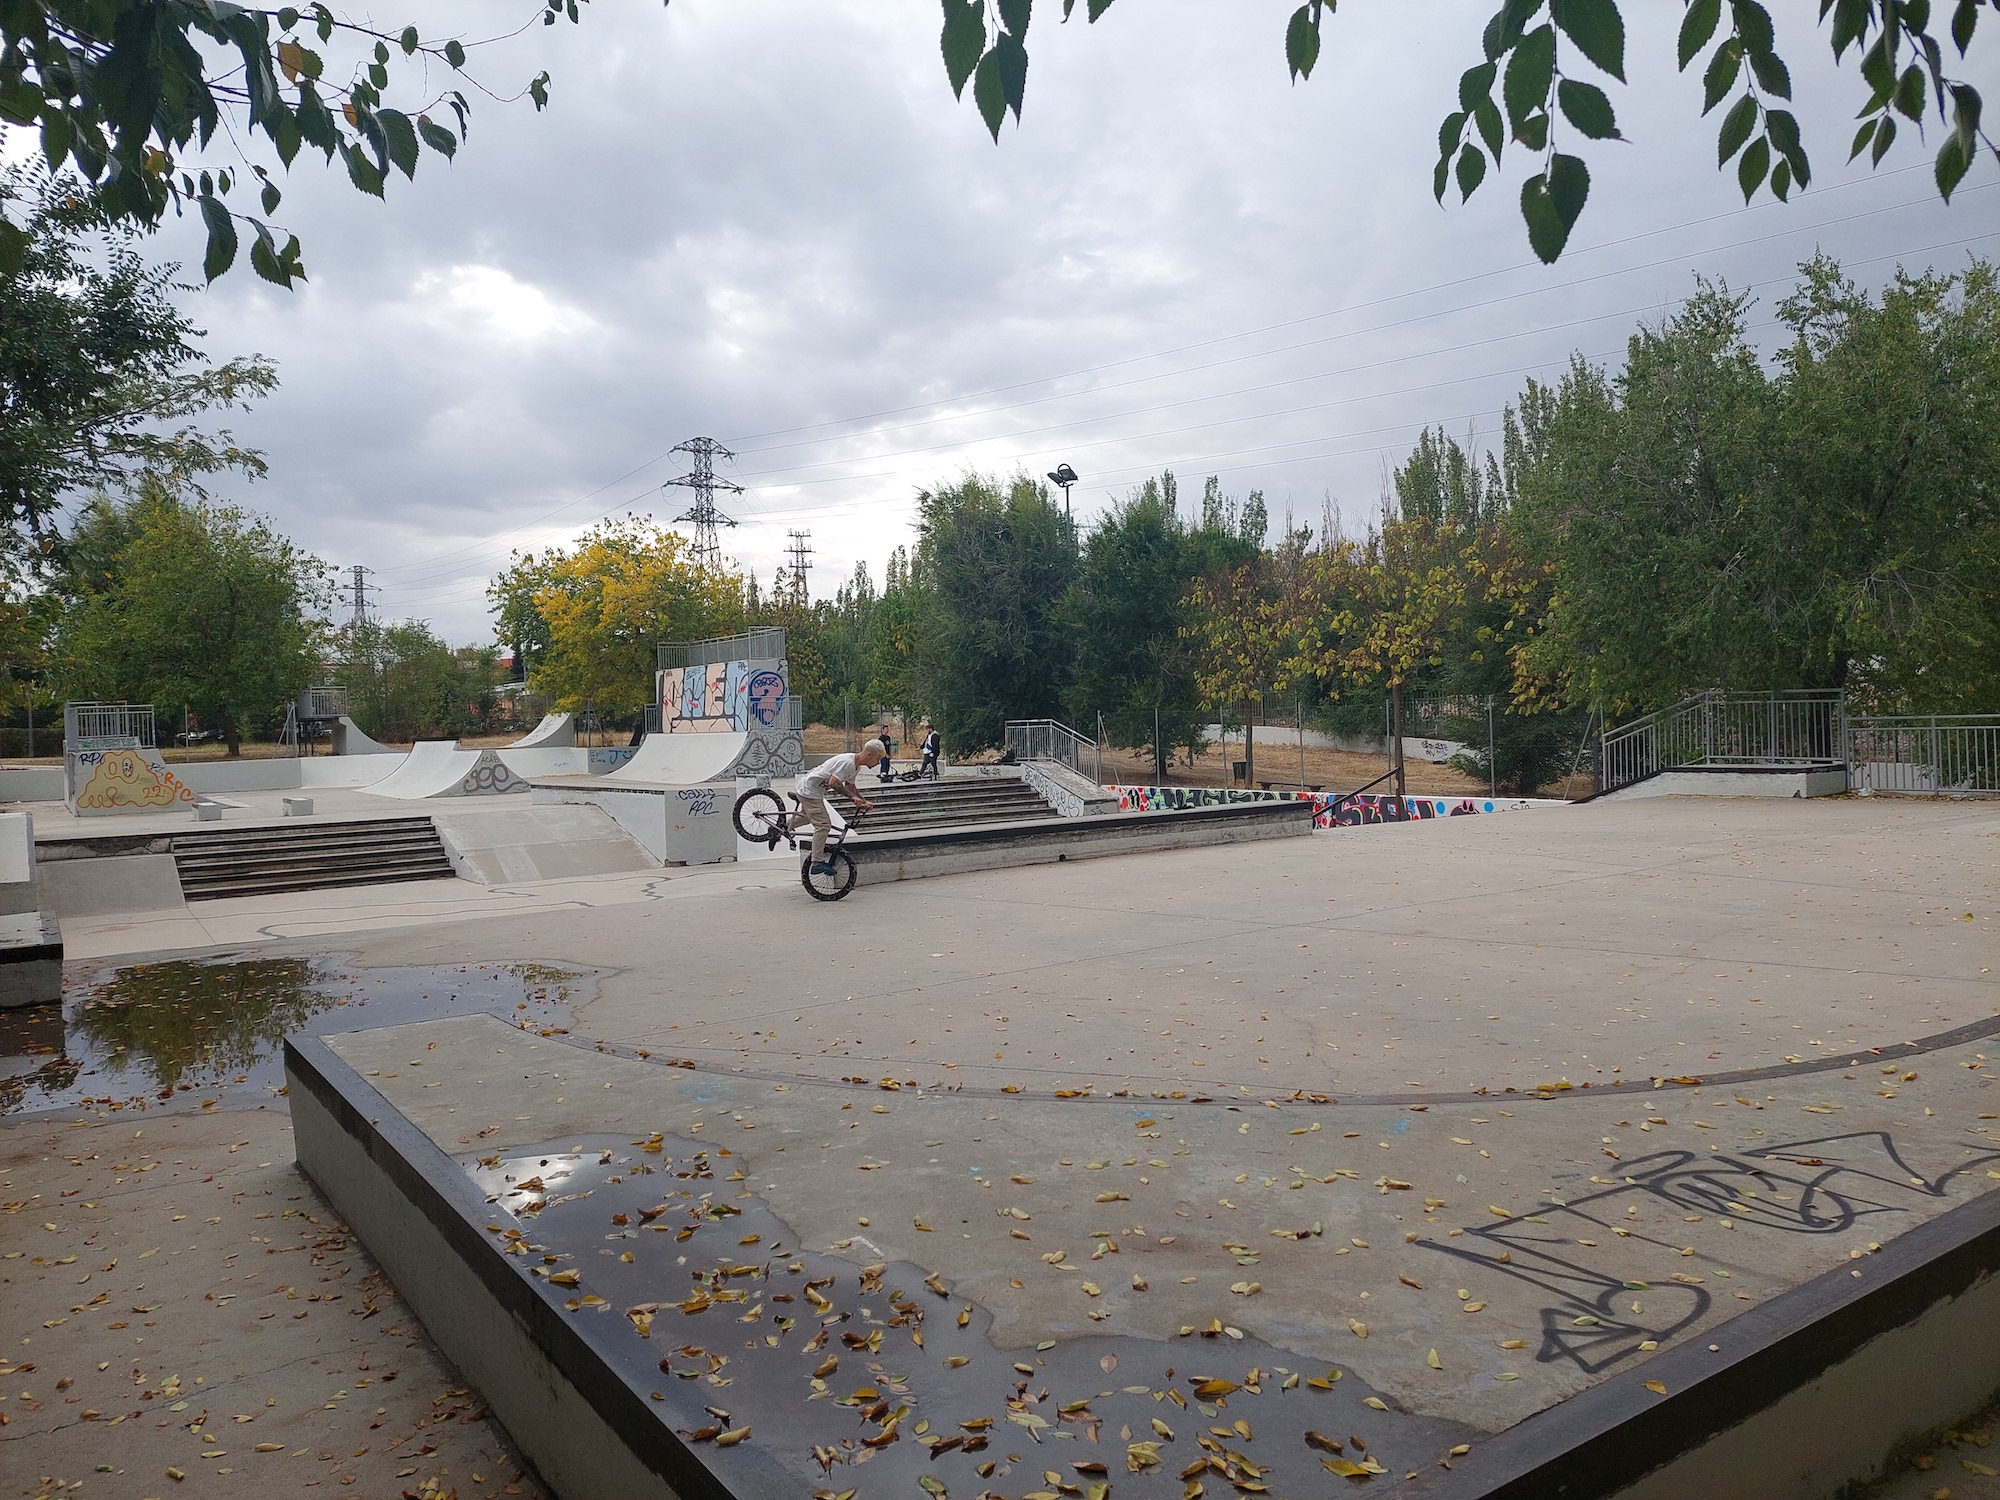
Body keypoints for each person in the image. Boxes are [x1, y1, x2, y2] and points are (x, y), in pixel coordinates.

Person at [795, 740, 882, 874]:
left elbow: (850, 786)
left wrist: (864, 801)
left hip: (811, 789)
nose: (878, 763)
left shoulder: (855, 766)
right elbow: (833, 783)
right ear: (869, 755)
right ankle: (816, 862)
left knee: (808, 817)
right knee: (823, 825)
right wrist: (853, 798)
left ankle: (780, 827)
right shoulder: (847, 763)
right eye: (878, 759)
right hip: (810, 791)